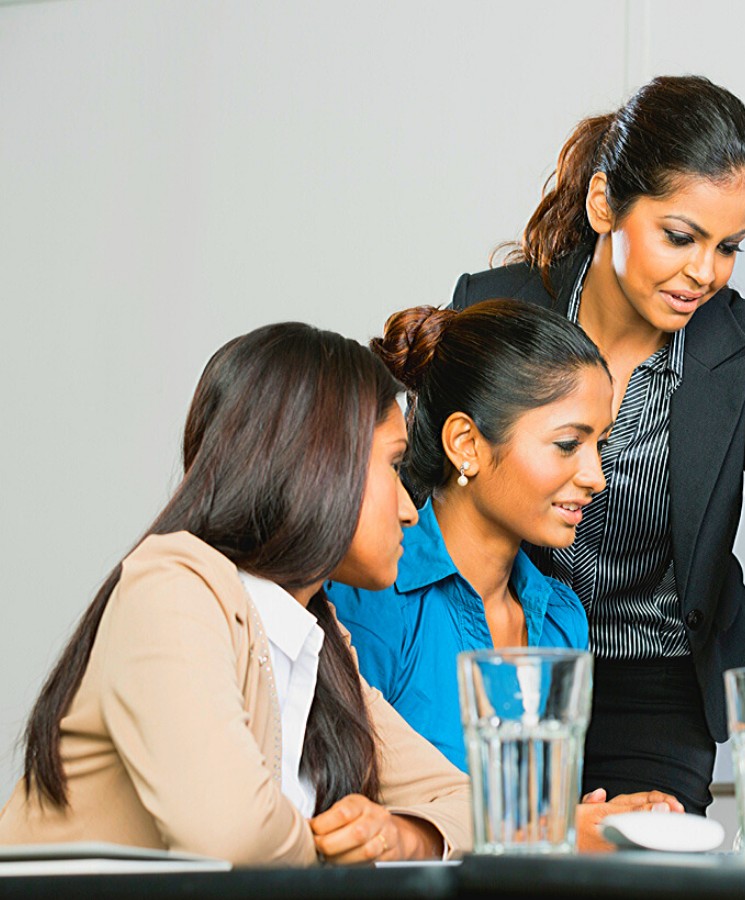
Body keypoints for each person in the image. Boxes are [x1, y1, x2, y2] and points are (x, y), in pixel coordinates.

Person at [450, 74, 745, 814]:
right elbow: (426, 492)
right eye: (680, 237)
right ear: (604, 203)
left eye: (728, 247)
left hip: (658, 686)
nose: (703, 273)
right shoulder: (495, 309)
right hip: (503, 669)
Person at [0, 323, 471, 865]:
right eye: (392, 465)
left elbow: (463, 802)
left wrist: (405, 837)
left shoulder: (316, 639)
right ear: (321, 462)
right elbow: (235, 839)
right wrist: (343, 854)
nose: (411, 510)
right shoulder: (171, 588)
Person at [327, 300, 683, 849]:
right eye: (568, 444)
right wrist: (559, 831)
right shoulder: (372, 598)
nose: (597, 476)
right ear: (466, 444)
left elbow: (531, 836)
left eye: (601, 445)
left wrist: (597, 822)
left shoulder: (564, 619)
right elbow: (349, 820)